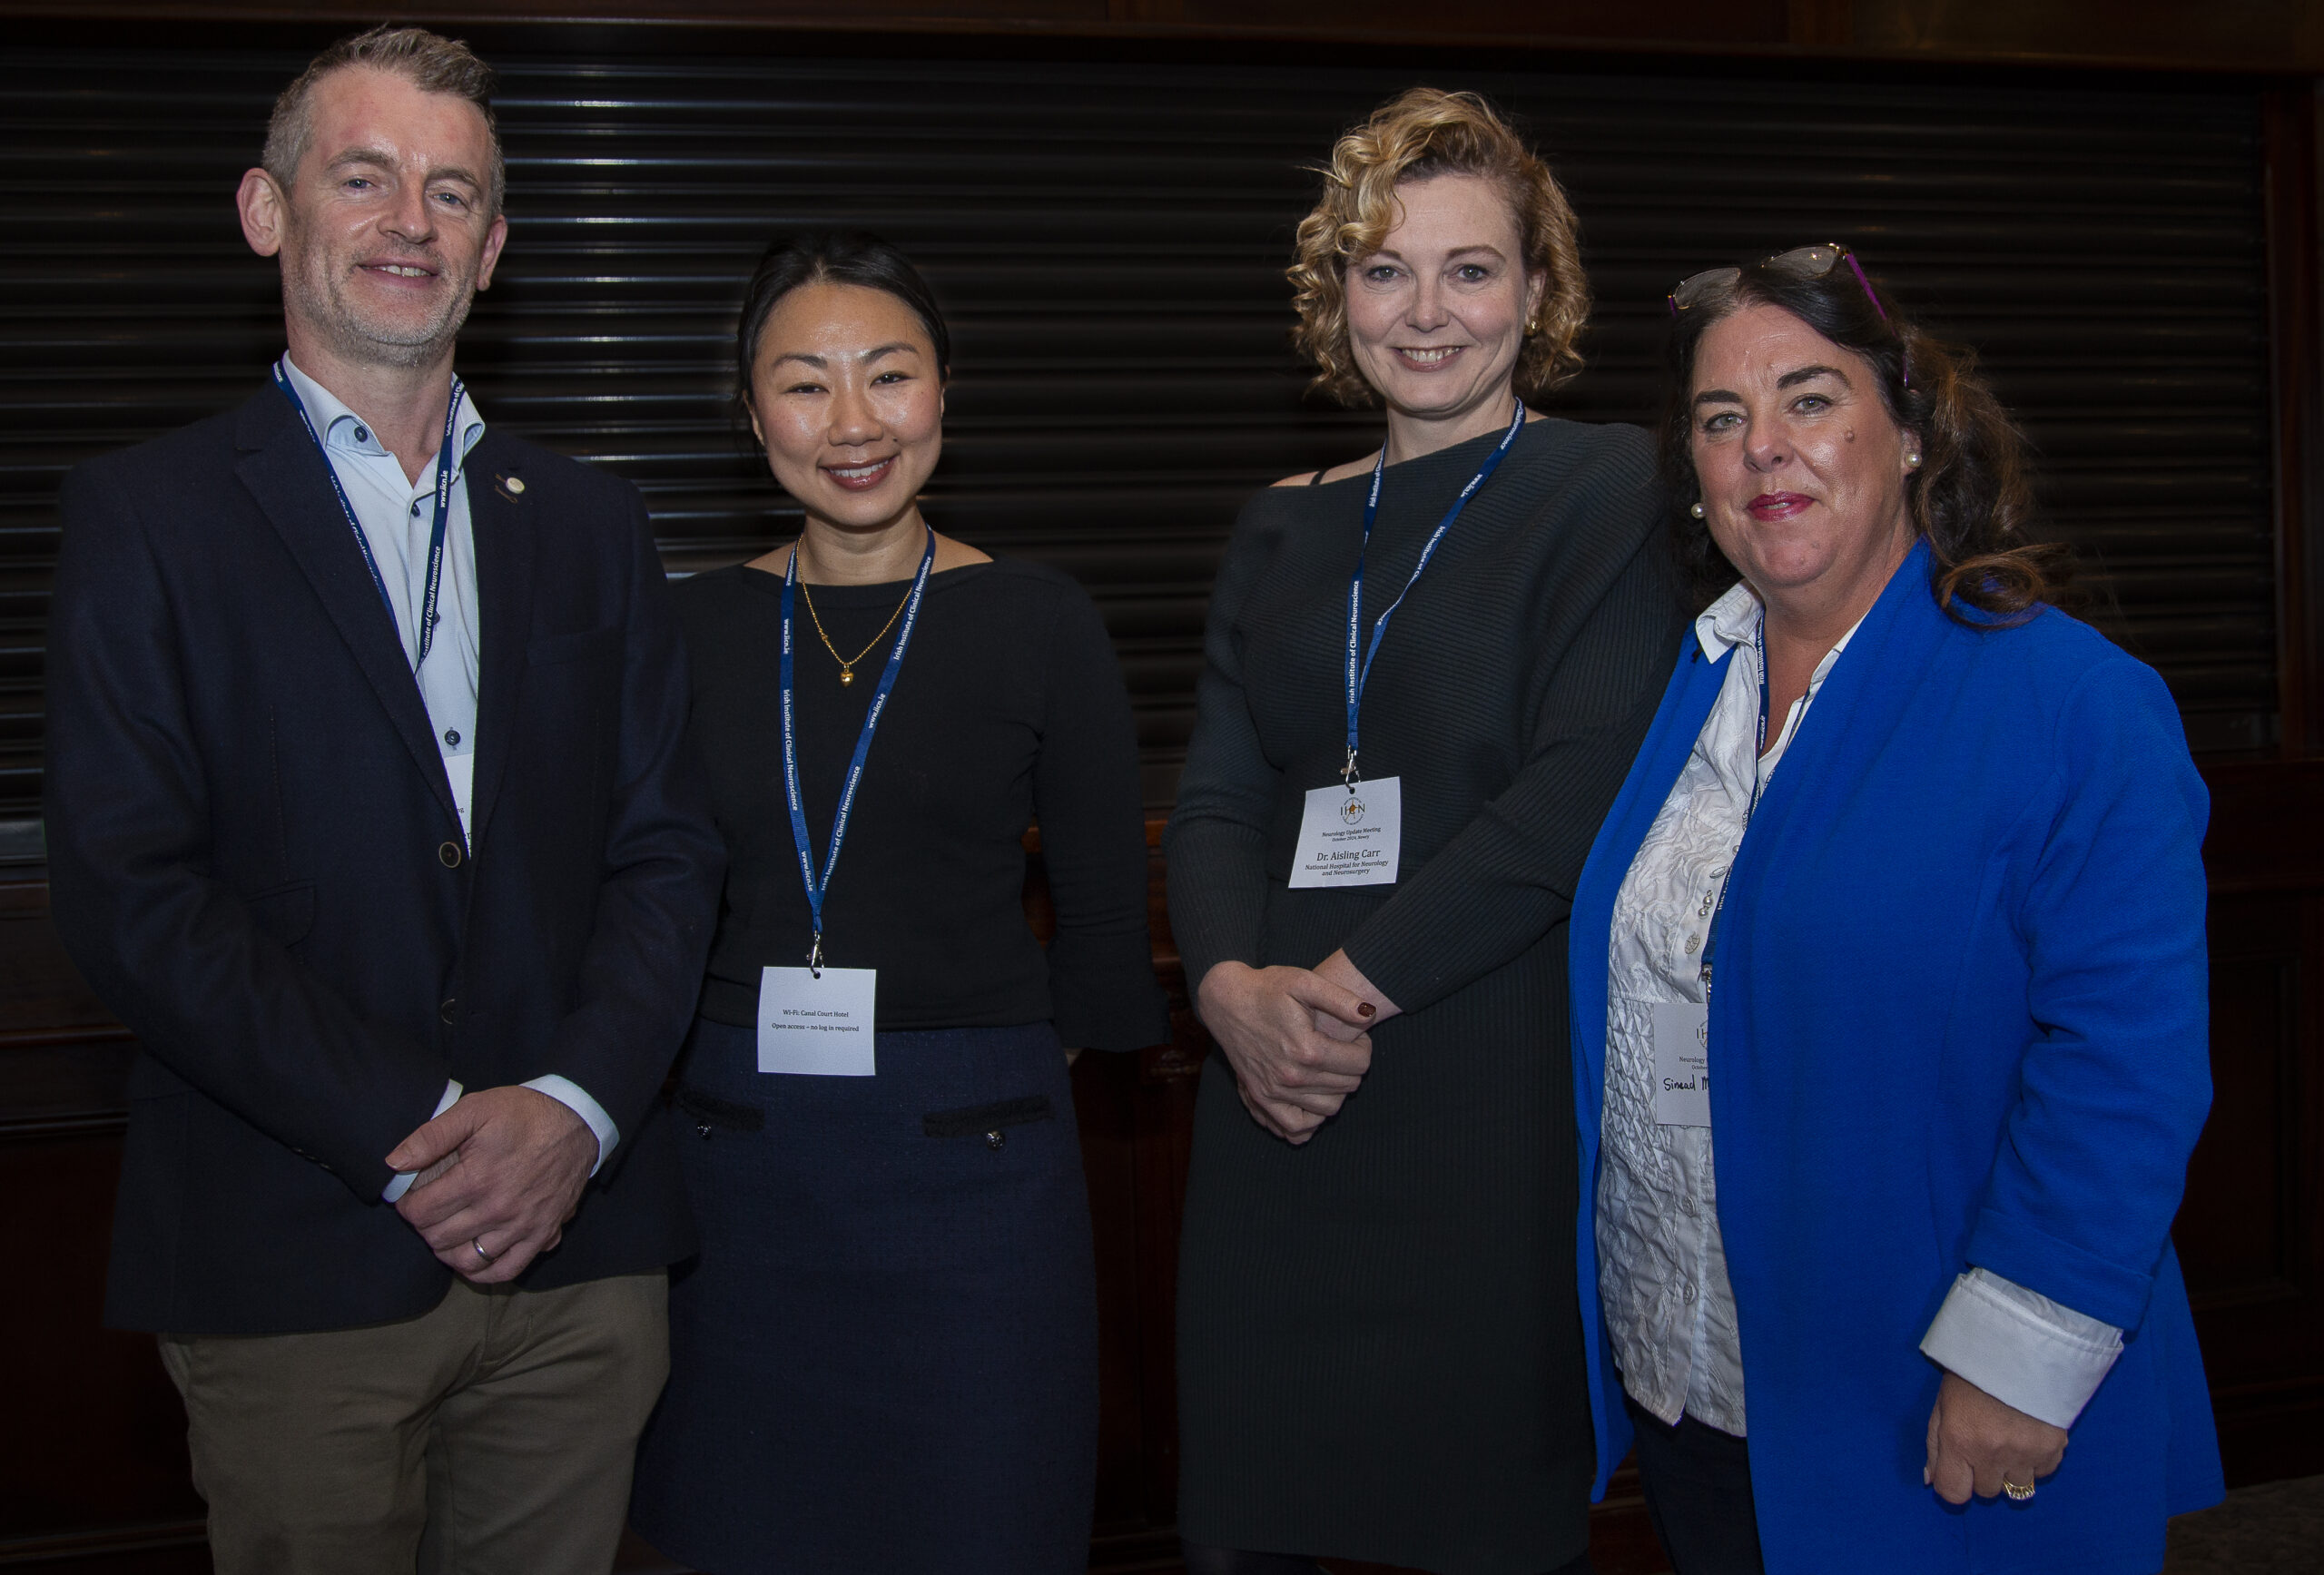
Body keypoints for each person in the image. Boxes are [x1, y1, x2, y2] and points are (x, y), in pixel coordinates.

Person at [41, 25, 724, 1575]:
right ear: (267, 212)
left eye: (453, 191)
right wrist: (418, 1130)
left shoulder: (597, 522)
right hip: (296, 1256)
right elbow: (131, 891)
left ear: (496, 248)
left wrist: (570, 1113)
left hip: (582, 1256)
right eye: (365, 178)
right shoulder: (147, 519)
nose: (411, 219)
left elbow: (669, 852)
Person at [1567, 243, 2224, 1574]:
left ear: (1911, 434)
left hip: (1935, 1400)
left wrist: (2017, 1360)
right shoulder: (1695, 689)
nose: (1765, 450)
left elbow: (2126, 1063)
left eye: (1811, 400)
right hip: (1697, 1378)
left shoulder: (2068, 702)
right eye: (1721, 418)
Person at [1164, 88, 1686, 1575]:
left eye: (1471, 269)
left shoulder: (1610, 491)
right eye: (1385, 269)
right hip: (1268, 1105)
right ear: (1340, 296)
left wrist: (1324, 999)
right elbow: (1213, 793)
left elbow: (1567, 801)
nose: (1427, 311)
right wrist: (1227, 995)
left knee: (1474, 1533)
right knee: (1259, 1522)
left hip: (1476, 1093)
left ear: (1537, 291)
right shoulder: (1277, 520)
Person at [625, 230, 1169, 1575]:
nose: (853, 422)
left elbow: (1105, 927)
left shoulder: (1039, 618)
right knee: (745, 1527)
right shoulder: (685, 627)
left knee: (980, 1522)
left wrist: (983, 1060)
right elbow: (632, 897)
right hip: (736, 1172)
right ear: (752, 412)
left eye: (890, 375)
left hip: (972, 1171)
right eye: (806, 383)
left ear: (944, 393)